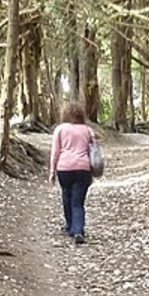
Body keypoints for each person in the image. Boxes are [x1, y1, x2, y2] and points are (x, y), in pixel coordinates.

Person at [49, 102, 96, 244]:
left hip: (64, 168)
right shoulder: (88, 130)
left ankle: (70, 226)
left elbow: (55, 152)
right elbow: (93, 152)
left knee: (66, 195)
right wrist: (93, 171)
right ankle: (78, 230)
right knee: (78, 202)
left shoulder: (60, 129)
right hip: (83, 168)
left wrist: (52, 171)